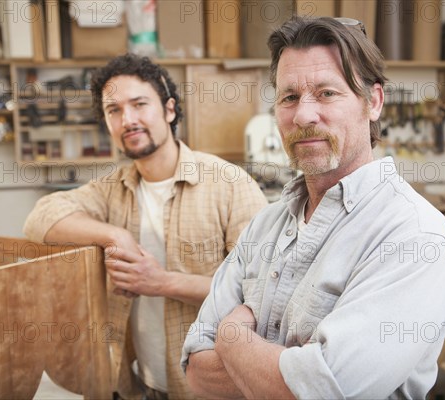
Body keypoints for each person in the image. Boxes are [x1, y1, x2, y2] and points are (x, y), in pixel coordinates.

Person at [181, 16, 445, 399]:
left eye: (327, 93)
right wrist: (286, 372)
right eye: (289, 97)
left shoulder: (414, 234)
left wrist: (231, 339)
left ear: (373, 102)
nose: (303, 115)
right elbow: (197, 372)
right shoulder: (265, 225)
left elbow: (322, 393)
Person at [23, 53, 267, 400]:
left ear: (169, 110)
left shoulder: (229, 183)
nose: (128, 120)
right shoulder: (112, 189)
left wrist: (162, 282)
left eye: (139, 104)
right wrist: (114, 234)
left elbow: (259, 293)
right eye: (114, 110)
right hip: (142, 383)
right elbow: (40, 217)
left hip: (210, 388)